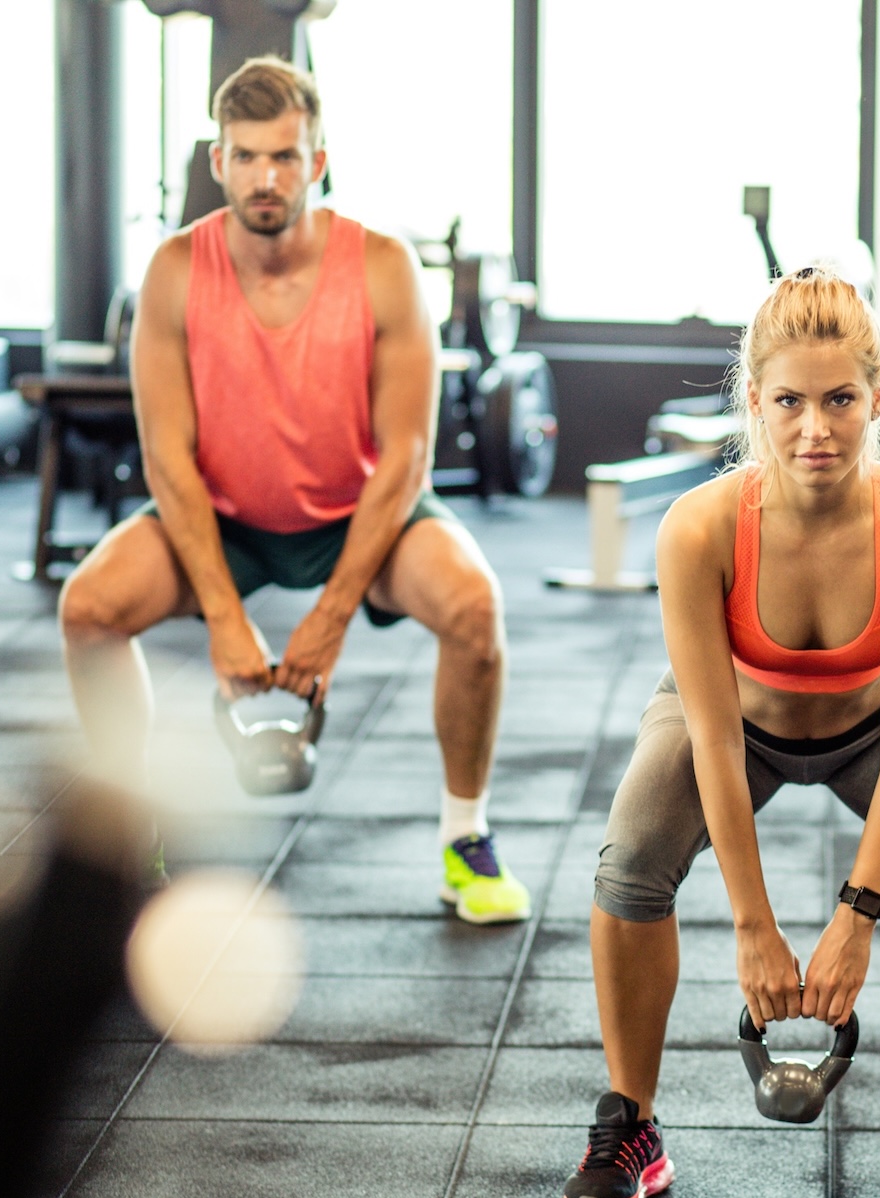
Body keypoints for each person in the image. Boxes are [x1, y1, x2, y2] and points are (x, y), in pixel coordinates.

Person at [559, 268, 880, 1198]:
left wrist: (855, 917)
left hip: (879, 727)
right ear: (753, 400)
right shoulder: (699, 528)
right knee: (630, 863)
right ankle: (631, 1118)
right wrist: (753, 924)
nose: (814, 428)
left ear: (878, 397)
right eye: (788, 401)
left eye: (838, 400)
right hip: (734, 726)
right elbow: (707, 733)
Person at [57, 57, 529, 924]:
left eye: (282, 157)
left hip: (360, 511)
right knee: (88, 606)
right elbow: (167, 459)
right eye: (245, 157)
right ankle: (138, 824)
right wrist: (227, 617)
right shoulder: (174, 273)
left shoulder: (383, 269)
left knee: (474, 609)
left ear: (316, 160)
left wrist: (331, 617)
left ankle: (467, 838)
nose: (264, 177)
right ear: (218, 162)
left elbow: (406, 458)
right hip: (221, 517)